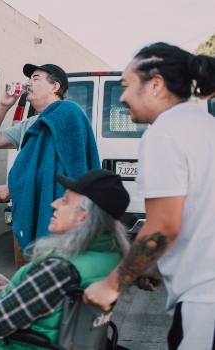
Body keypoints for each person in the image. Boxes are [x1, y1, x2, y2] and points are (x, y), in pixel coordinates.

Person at [83, 42, 215, 350]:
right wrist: (154, 265)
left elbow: (164, 226)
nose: (123, 96)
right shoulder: (205, 125)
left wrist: (112, 284)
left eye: (127, 86)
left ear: (156, 84)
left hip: (204, 300)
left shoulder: (164, 133)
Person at [0, 169, 131, 350]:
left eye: (65, 201)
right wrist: (12, 289)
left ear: (83, 217)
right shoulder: (110, 257)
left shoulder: (59, 269)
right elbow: (57, 303)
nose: (54, 204)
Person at [0, 63, 100, 269]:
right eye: (28, 79)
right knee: (25, 284)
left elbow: (64, 172)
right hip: (26, 216)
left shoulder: (69, 114)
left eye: (35, 78)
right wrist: (4, 106)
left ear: (54, 87)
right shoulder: (30, 124)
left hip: (57, 223)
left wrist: (14, 188)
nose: (27, 83)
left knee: (49, 288)